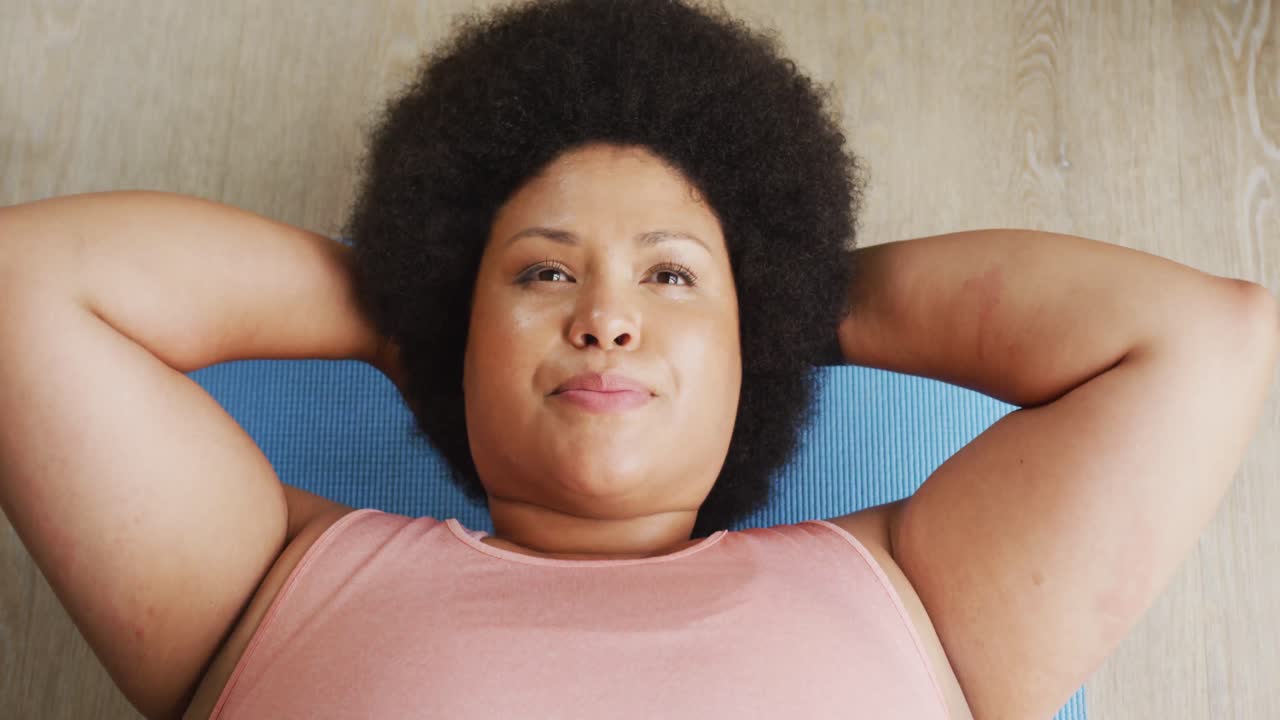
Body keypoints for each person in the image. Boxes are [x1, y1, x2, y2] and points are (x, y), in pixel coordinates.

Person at [0, 0, 1276, 718]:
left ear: (754, 341)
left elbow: (1200, 339)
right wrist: (411, 312)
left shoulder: (920, 599)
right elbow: (22, 285)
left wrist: (785, 301)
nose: (607, 318)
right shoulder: (265, 583)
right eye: (542, 273)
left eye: (668, 279)